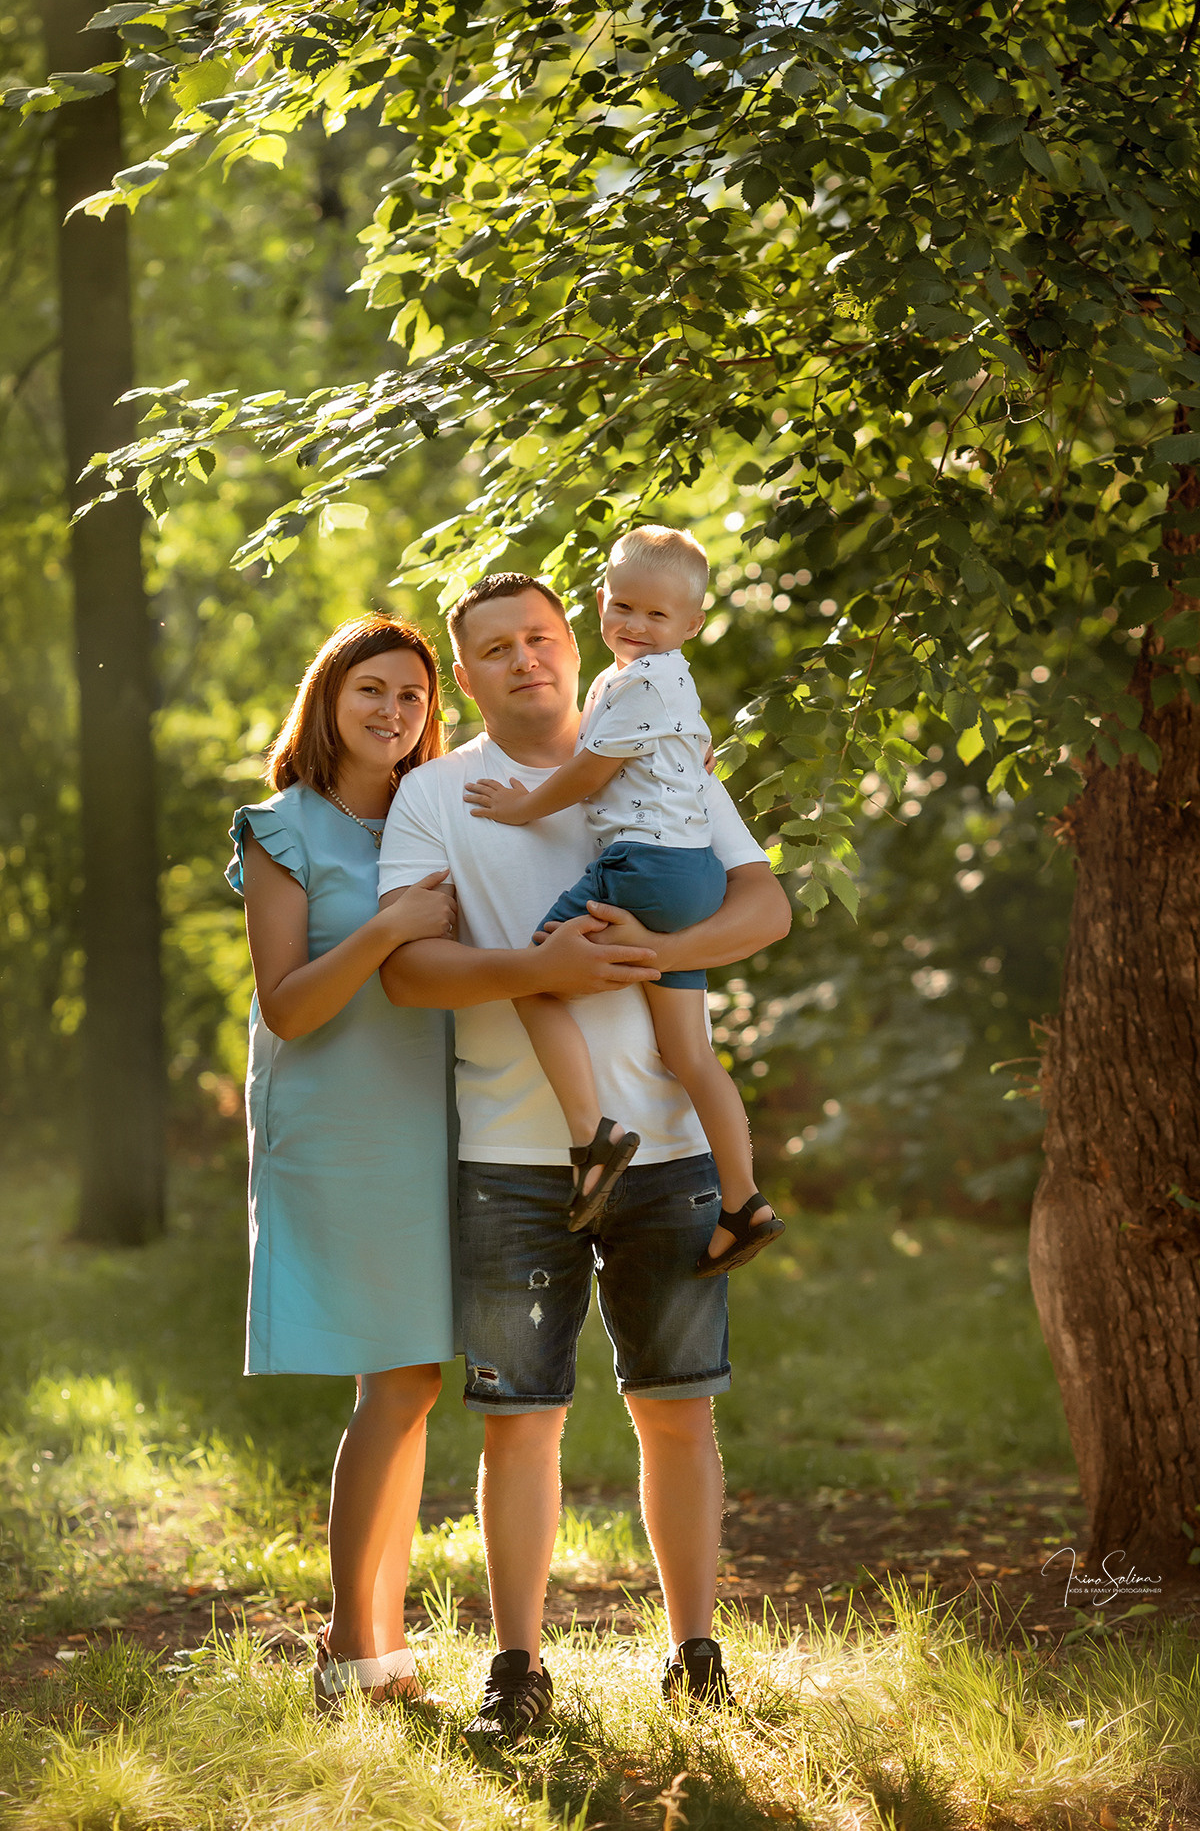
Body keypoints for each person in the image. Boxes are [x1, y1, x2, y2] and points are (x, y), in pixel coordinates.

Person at [376, 572, 791, 1743]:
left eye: (541, 638)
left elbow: (765, 911)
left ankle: (695, 1656)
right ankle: (517, 1667)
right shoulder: (437, 797)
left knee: (678, 1413)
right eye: (496, 649)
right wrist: (543, 971)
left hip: (667, 1151)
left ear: (580, 647)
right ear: (467, 675)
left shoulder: (661, 758)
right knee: (522, 1420)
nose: (526, 660)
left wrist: (657, 952)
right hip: (511, 1154)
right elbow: (410, 973)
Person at [227, 614, 460, 1710]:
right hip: (338, 1121)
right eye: (372, 690)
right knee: (401, 1374)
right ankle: (346, 1641)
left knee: (410, 1377)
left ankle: (378, 1640)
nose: (392, 713)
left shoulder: (437, 814)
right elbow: (289, 1005)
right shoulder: (284, 829)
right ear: (329, 699)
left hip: (436, 1112)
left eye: (411, 697)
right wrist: (380, 928)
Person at [465, 525, 781, 1273]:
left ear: (693, 625)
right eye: (624, 607)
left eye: (657, 617)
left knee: (535, 975)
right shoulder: (673, 683)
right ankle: (745, 1203)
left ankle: (593, 1137)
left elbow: (587, 775)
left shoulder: (635, 681)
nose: (635, 627)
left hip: (646, 867)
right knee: (690, 1054)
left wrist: (522, 807)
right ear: (600, 601)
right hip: (692, 877)